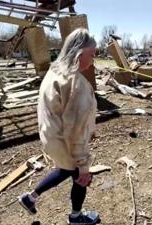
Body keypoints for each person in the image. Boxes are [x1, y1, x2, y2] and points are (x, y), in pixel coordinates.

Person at [18, 28, 99, 225]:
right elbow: (75, 129)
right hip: (67, 142)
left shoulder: (54, 71)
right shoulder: (75, 83)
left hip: (52, 138)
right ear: (80, 54)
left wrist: (90, 130)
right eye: (92, 54)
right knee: (81, 179)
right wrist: (83, 165)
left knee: (64, 170)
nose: (93, 60)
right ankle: (76, 217)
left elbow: (63, 113)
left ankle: (30, 198)